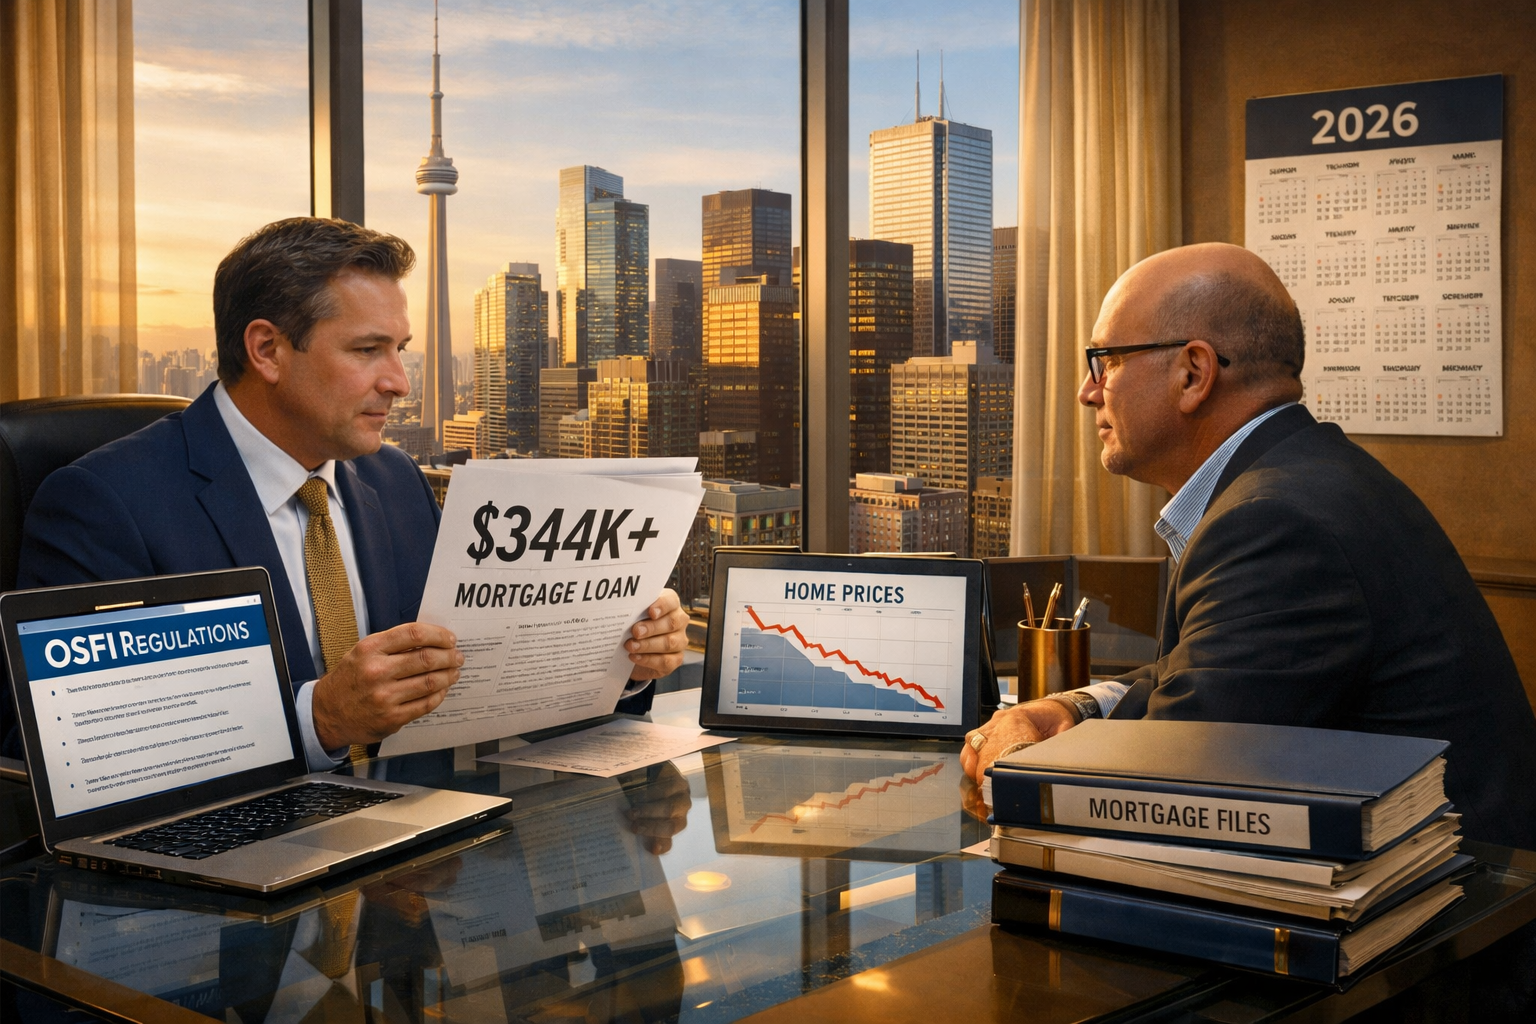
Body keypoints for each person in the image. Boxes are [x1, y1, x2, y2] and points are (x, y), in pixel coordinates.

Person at [12, 217, 689, 768]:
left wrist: (622, 662)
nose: (399, 381)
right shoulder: (105, 504)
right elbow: (77, 756)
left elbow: (474, 691)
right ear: (268, 350)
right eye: (368, 351)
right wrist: (321, 718)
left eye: (402, 349)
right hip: (220, 903)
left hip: (414, 875)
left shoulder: (395, 481)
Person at [961, 242, 1536, 853]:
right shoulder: (1305, 475)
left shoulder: (1273, 520)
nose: (1088, 391)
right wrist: (1074, 709)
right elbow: (1200, 673)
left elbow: (1167, 783)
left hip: (1450, 921)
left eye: (1106, 361)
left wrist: (1018, 771)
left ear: (1193, 373)